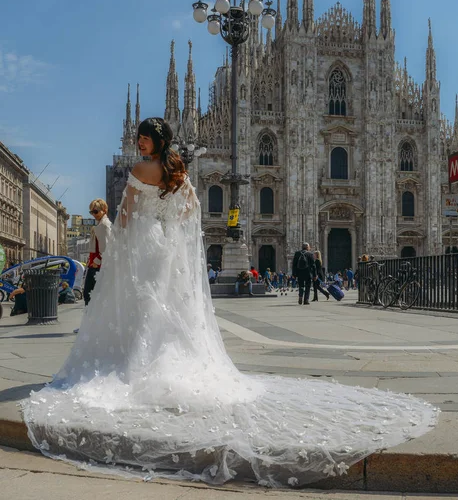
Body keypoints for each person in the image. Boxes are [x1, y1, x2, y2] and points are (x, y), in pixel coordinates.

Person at [21, 116, 437, 488]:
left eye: (142, 138)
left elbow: (126, 213)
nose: (139, 143)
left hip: (143, 246)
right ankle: (153, 358)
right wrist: (171, 237)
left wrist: (126, 246)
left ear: (152, 141)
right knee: (164, 309)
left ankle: (135, 360)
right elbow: (191, 214)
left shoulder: (140, 170)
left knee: (141, 306)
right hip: (166, 248)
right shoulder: (178, 174)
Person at [83, 198, 112, 306]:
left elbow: (107, 247)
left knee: (89, 295)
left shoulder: (103, 225)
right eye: (91, 212)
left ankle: (89, 318)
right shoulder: (101, 224)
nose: (94, 214)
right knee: (92, 294)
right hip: (95, 264)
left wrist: (97, 261)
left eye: (96, 211)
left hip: (97, 266)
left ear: (104, 210)